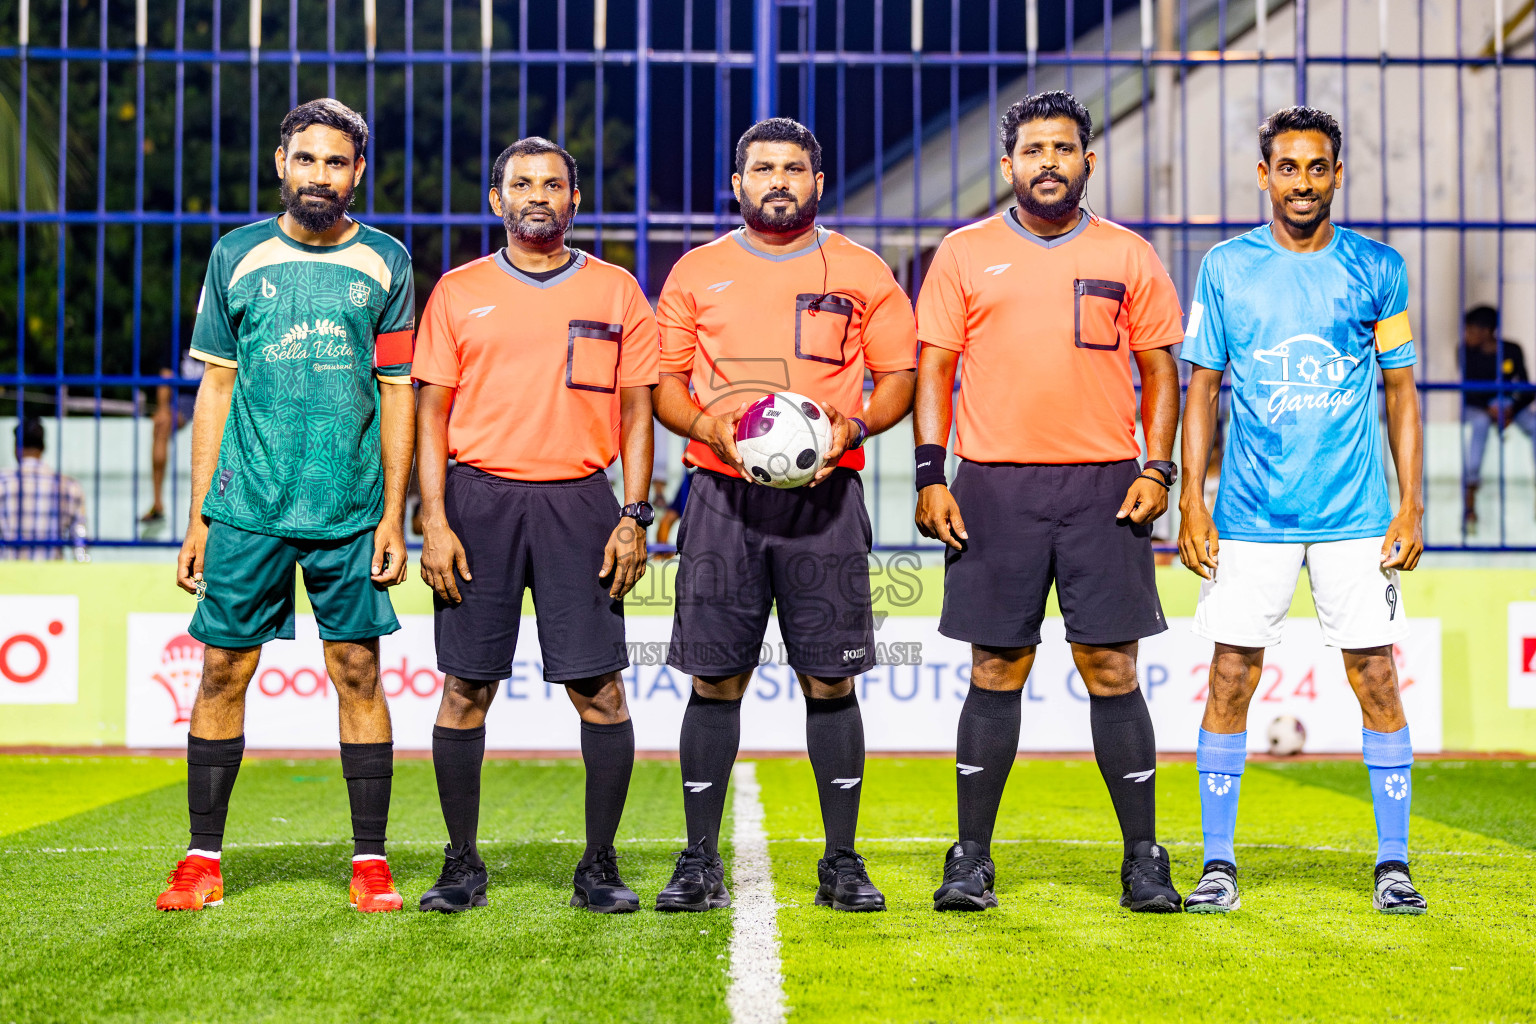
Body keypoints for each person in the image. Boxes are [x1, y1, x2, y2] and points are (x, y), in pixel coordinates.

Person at [915, 90, 1185, 914]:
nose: (1048, 163)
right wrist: (931, 473)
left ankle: (1143, 858)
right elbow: (933, 368)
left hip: (1106, 485)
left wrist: (1158, 469)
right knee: (997, 664)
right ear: (1008, 165)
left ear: (1087, 161)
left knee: (1111, 667)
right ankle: (971, 859)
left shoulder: (1130, 254)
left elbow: (1162, 371)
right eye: (1032, 151)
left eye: (1063, 149)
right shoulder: (963, 253)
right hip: (993, 485)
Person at [154, 98, 416, 914]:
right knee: (223, 669)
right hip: (247, 509)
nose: (320, 175)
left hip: (349, 505)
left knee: (359, 671)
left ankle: (370, 862)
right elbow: (216, 387)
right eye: (307, 159)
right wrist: (199, 513)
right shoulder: (235, 255)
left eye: (336, 162)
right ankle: (202, 859)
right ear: (281, 163)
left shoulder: (387, 261)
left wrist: (391, 514)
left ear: (357, 173)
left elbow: (399, 390)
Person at [652, 117, 917, 913]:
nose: (778, 180)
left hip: (825, 502)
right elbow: (665, 387)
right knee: (715, 676)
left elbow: (898, 375)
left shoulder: (864, 272)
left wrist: (856, 424)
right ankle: (699, 860)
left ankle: (842, 860)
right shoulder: (696, 273)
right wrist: (710, 429)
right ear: (737, 186)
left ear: (818, 183)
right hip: (722, 499)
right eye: (762, 168)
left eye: (794, 168)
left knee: (831, 679)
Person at [1178, 106, 1427, 915]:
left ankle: (1394, 863)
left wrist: (1411, 502)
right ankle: (1219, 864)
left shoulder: (1378, 268)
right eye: (1288, 167)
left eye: (1318, 167)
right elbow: (1202, 388)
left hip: (1356, 513)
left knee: (1377, 675)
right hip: (1250, 512)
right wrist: (1193, 499)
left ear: (1337, 175)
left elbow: (1400, 392)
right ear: (1264, 176)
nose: (1303, 182)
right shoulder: (1224, 268)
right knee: (1229, 674)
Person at [412, 137, 658, 914]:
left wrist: (634, 513)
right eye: (522, 183)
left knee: (601, 691)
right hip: (477, 501)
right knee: (465, 690)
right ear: (498, 201)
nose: (538, 194)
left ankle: (599, 866)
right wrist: (435, 520)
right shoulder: (457, 291)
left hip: (581, 503)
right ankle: (461, 865)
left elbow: (638, 410)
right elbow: (429, 415)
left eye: (553, 183)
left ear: (574, 201)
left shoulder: (618, 291)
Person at [1460, 305, 1533, 528]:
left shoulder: (1511, 350)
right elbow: (1467, 391)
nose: (1467, 335)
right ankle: (1470, 499)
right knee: (1480, 425)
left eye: (1471, 329)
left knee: (1534, 425)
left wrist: (1511, 408)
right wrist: (1489, 409)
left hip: (1509, 406)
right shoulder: (1464, 351)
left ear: (1486, 330)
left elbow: (1527, 386)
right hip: (1478, 408)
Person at [0, 417, 89, 561]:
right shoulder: (70, 487)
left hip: (9, 577)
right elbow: (80, 545)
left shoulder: (3, 483)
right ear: (43, 447)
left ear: (16, 447)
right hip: (52, 578)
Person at [140, 351, 206, 526]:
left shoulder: (222, 328)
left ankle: (218, 501)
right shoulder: (180, 334)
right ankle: (157, 503)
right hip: (184, 399)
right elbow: (166, 377)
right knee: (161, 425)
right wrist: (162, 408)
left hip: (214, 394)